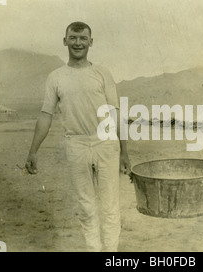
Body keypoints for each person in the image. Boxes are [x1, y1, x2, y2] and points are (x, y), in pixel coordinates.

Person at [25, 21, 131, 252]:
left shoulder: (102, 73)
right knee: (86, 206)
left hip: (106, 143)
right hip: (76, 144)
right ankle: (94, 249)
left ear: (91, 42)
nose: (78, 43)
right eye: (73, 38)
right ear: (65, 41)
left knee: (110, 206)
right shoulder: (56, 77)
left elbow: (116, 113)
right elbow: (45, 115)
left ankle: (110, 252)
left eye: (83, 39)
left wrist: (125, 152)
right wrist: (33, 151)